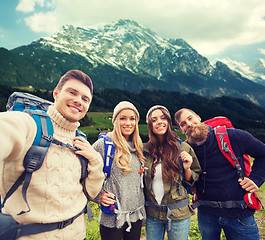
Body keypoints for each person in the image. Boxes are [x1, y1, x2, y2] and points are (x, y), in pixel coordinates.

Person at [0, 70, 105, 240]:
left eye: (85, 99)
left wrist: (94, 159)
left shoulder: (81, 140)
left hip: (78, 235)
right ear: (56, 93)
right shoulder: (28, 124)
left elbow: (91, 192)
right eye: (72, 92)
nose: (78, 101)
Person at [174, 108, 265, 240]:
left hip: (239, 213)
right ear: (181, 130)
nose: (189, 124)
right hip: (206, 214)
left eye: (190, 118)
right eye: (183, 124)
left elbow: (263, 153)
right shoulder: (186, 150)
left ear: (198, 118)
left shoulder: (232, 136)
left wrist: (256, 179)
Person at [144, 105, 201, 240]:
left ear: (168, 122)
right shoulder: (145, 151)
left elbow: (194, 179)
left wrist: (187, 168)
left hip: (178, 214)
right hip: (153, 215)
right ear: (150, 125)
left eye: (163, 118)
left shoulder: (183, 147)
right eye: (154, 120)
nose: (159, 122)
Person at [92, 101, 146, 240]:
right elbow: (84, 175)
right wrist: (97, 196)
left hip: (135, 217)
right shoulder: (103, 146)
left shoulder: (138, 148)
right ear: (115, 121)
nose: (128, 123)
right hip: (112, 218)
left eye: (132, 119)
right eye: (123, 118)